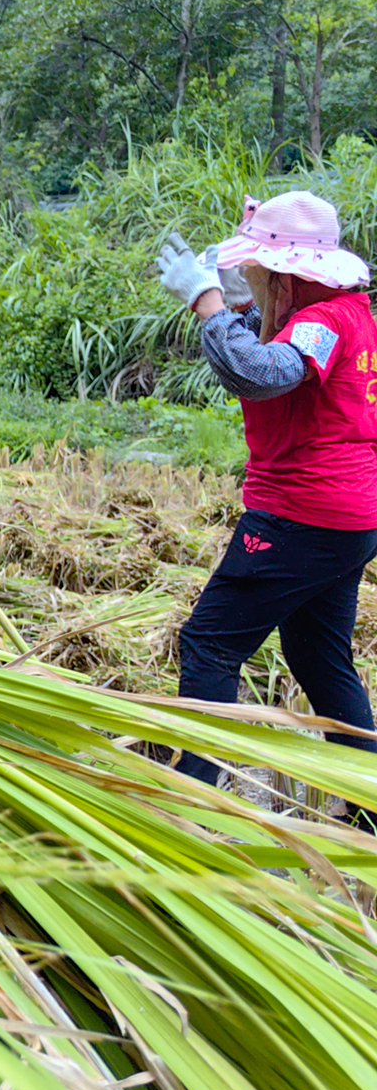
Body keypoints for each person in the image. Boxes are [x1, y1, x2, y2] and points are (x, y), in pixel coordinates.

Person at [157, 192, 377, 804]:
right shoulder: (347, 315)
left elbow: (261, 373)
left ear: (290, 274)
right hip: (347, 517)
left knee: (210, 642)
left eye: (259, 271)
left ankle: (194, 800)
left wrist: (208, 303)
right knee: (318, 658)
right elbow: (272, 353)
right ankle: (371, 806)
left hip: (302, 518)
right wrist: (240, 302)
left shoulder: (324, 319)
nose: (251, 277)